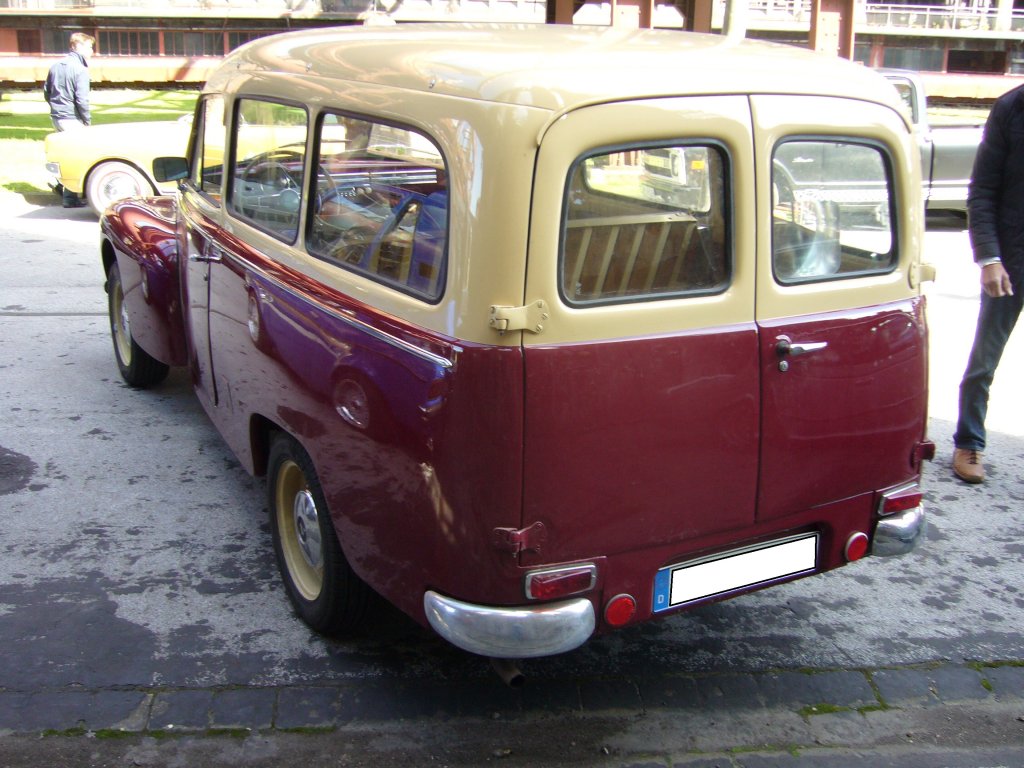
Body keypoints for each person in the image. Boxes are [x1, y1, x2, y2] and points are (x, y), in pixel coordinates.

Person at [952, 84, 1024, 484]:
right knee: (984, 361)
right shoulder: (1012, 108)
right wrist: (990, 258)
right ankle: (969, 442)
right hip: (1011, 262)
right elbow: (982, 191)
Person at [43, 32, 95, 208]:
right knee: (78, 156)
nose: (92, 51)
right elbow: (82, 100)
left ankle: (61, 186)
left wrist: (56, 108)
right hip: (72, 118)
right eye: (89, 47)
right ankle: (69, 197)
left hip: (57, 117)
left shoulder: (55, 66)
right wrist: (87, 121)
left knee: (65, 154)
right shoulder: (81, 69)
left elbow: (47, 92)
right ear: (77, 46)